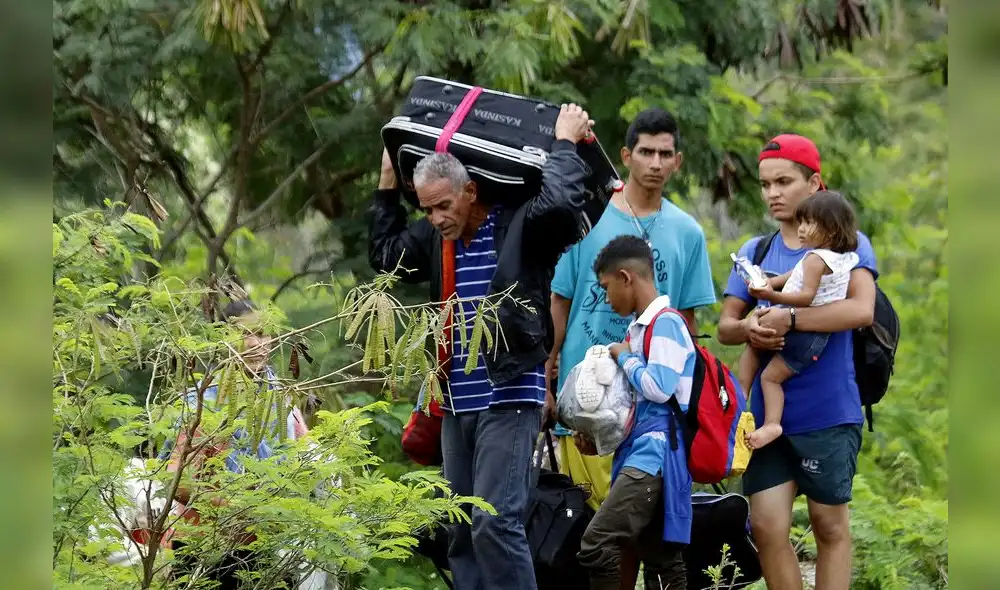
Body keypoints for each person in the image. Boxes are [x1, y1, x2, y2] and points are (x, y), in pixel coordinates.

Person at [368, 104, 595, 590]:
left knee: (496, 522)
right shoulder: (437, 239)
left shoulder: (517, 225)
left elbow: (560, 206)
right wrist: (388, 178)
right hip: (454, 401)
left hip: (508, 394)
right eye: (427, 208)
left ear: (471, 191)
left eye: (444, 206)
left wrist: (565, 143)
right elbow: (384, 256)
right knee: (461, 528)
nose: (436, 217)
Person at [717, 134, 877, 590]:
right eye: (766, 184)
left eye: (784, 181)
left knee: (830, 527)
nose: (773, 193)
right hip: (766, 415)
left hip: (827, 410)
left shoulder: (848, 244)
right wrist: (751, 328)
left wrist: (789, 316)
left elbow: (860, 309)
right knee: (767, 529)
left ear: (815, 184)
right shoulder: (757, 251)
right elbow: (727, 325)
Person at [547, 107, 715, 514]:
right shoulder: (587, 218)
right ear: (625, 156)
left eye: (664, 153)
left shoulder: (688, 232)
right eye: (645, 152)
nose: (655, 163)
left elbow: (687, 326)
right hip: (584, 399)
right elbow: (560, 300)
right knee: (585, 529)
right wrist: (546, 375)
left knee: (640, 532)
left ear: (677, 161)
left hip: (651, 415)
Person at [574, 235, 692, 590]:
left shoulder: (667, 323)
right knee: (660, 558)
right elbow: (632, 404)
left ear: (627, 277)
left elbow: (659, 388)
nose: (607, 299)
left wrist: (622, 355)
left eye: (607, 287)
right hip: (640, 450)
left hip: (655, 456)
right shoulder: (638, 329)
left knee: (597, 543)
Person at [163, 299, 307, 589]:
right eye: (247, 334)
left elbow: (304, 463)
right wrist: (239, 510)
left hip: (270, 550)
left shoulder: (283, 399)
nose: (258, 343)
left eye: (265, 334)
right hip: (208, 550)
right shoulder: (205, 401)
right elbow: (176, 480)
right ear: (225, 339)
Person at [736, 190, 861, 449]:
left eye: (809, 223)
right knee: (762, 357)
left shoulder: (816, 260)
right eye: (801, 222)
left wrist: (770, 294)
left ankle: (753, 410)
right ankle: (747, 404)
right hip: (816, 336)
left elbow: (805, 296)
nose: (801, 229)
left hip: (802, 333)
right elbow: (794, 274)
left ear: (832, 230)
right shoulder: (840, 257)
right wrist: (771, 281)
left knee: (767, 371)